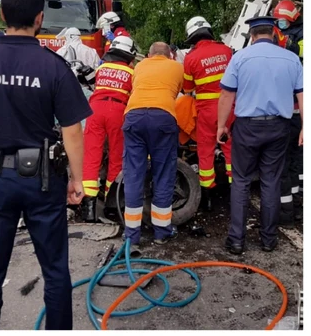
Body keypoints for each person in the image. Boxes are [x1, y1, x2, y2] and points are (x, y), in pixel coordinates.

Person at [0, 0, 92, 330]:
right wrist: (78, 179)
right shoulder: (53, 66)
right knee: (55, 272)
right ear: (39, 18)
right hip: (43, 180)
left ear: (2, 14)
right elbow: (72, 131)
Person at [217, 16, 303, 254]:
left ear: (252, 36)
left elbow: (226, 96)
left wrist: (222, 126)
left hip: (247, 127)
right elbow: (302, 95)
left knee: (242, 181)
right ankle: (268, 239)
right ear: (274, 34)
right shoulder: (291, 59)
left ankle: (236, 240)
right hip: (279, 128)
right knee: (271, 181)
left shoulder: (240, 58)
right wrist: (305, 126)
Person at [122, 42, 184, 246]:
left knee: (133, 174)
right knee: (164, 173)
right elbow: (181, 93)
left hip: (134, 117)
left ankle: (132, 235)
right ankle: (161, 233)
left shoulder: (140, 66)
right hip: (163, 118)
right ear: (170, 55)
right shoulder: (176, 66)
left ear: (149, 55)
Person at [80, 36, 137, 222]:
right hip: (118, 111)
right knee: (116, 156)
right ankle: (111, 202)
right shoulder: (131, 72)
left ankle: (88, 207)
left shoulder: (102, 68)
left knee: (91, 156)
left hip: (95, 110)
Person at [182, 16, 234, 210]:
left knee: (205, 150)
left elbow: (187, 89)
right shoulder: (226, 50)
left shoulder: (191, 57)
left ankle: (208, 196)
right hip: (229, 107)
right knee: (230, 149)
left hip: (205, 110)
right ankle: (234, 193)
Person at [273, 0, 303, 219]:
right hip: (296, 110)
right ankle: (297, 204)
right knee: (296, 160)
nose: (280, 23)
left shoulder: (294, 40)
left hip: (289, 110)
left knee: (285, 163)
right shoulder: (292, 36)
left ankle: (287, 212)